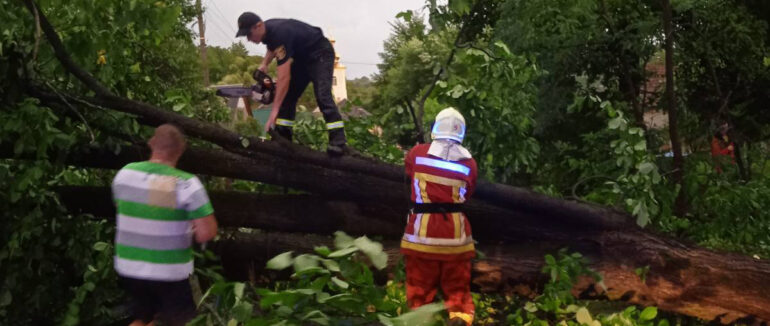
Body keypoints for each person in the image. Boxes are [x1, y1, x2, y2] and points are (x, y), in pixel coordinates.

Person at [112, 124, 218, 326]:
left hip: (129, 266)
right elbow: (206, 233)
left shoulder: (125, 174)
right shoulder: (185, 183)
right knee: (173, 320)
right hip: (168, 271)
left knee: (142, 316)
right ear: (181, 150)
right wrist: (192, 228)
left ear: (151, 143)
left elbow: (139, 209)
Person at [400, 108, 478, 326]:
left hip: (422, 236)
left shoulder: (417, 153)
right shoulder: (469, 164)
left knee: (419, 286)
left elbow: (409, 171)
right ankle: (460, 315)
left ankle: (420, 317)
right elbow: (469, 192)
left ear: (435, 128)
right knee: (458, 286)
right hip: (455, 236)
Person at [235, 12, 348, 155]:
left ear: (258, 26)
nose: (249, 39)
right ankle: (283, 136)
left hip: (321, 53)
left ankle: (338, 141)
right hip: (303, 59)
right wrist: (264, 64)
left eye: (249, 35)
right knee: (288, 97)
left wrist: (274, 111)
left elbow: (284, 78)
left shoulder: (280, 32)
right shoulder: (269, 31)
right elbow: (272, 46)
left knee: (322, 95)